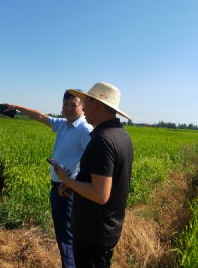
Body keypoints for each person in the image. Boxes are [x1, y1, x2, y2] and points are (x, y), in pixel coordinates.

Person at [2, 90, 93, 268]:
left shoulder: (84, 129)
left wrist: (73, 183)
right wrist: (17, 107)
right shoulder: (64, 124)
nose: (68, 108)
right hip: (58, 189)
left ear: (83, 107)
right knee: (63, 236)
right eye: (65, 104)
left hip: (68, 191)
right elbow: (41, 116)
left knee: (68, 238)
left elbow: (96, 160)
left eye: (73, 105)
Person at [53, 82, 134, 268]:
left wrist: (65, 179)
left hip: (92, 233)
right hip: (106, 229)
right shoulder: (122, 135)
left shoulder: (102, 140)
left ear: (96, 104)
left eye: (86, 102)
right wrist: (74, 184)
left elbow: (100, 194)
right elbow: (101, 180)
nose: (84, 106)